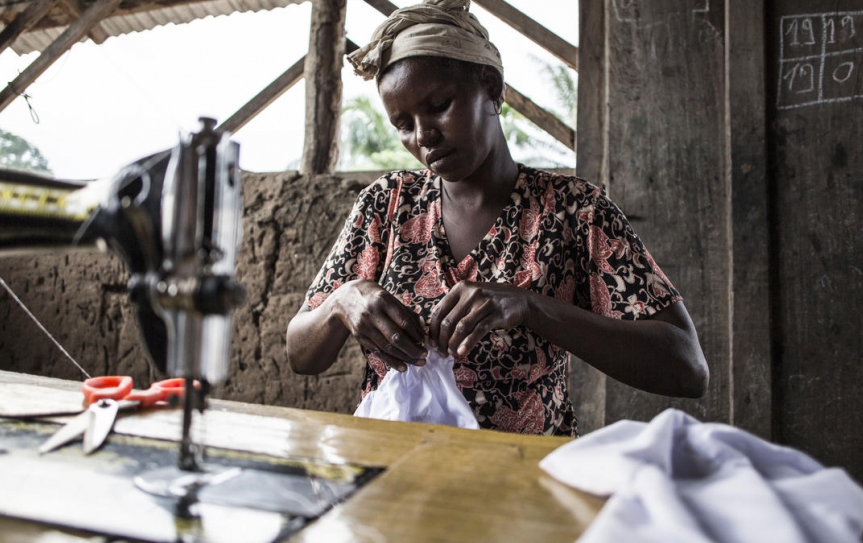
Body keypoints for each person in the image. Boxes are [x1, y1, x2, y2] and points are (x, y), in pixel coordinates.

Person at [287, 0, 708, 436]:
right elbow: (302, 355)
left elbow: (686, 367)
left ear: (490, 86)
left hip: (525, 482)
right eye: (403, 124)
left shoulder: (573, 211)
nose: (424, 136)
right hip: (396, 477)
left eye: (439, 105)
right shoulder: (387, 205)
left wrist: (531, 307)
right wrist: (342, 303)